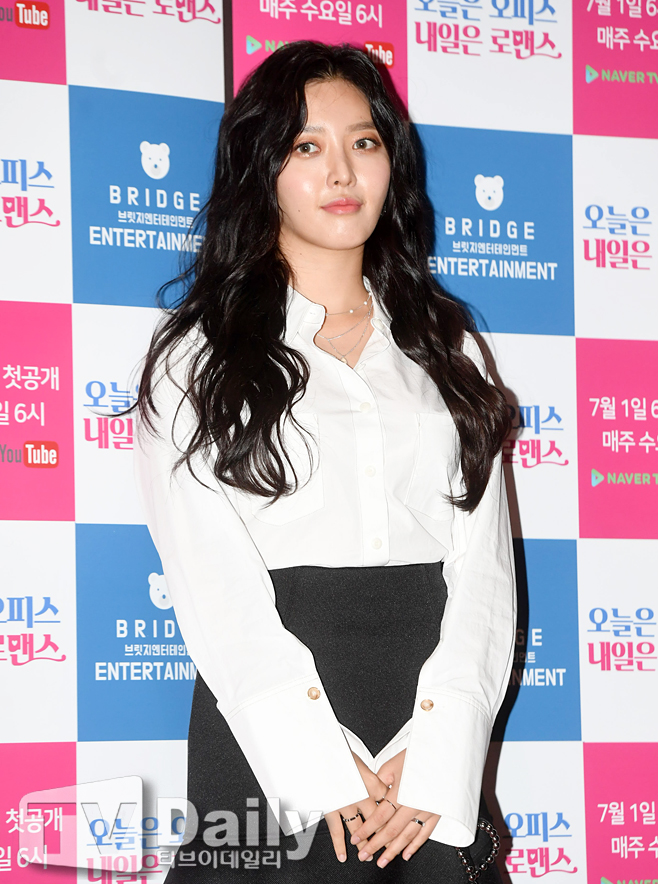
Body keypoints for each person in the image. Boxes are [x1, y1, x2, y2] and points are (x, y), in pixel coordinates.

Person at [134, 40, 516, 883]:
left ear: (392, 163)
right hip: (266, 725)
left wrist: (439, 753)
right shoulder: (195, 359)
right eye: (307, 146)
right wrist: (315, 763)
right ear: (262, 168)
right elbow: (212, 585)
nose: (341, 171)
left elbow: (485, 573)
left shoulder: (448, 350)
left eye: (364, 142)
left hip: (427, 725)